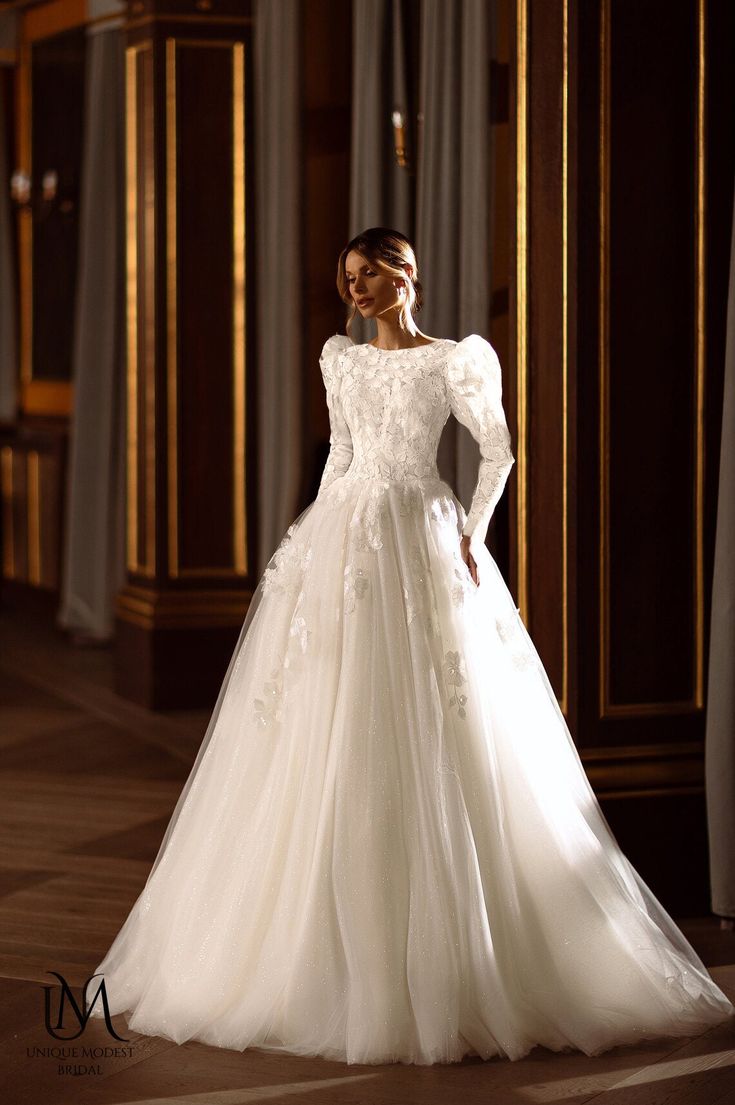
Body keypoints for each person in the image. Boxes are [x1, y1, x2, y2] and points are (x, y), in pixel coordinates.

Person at [90, 227, 734, 1066]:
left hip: (422, 535)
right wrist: (313, 537)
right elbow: (342, 454)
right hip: (348, 538)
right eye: (347, 277)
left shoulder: (457, 358)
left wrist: (470, 532)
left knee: (438, 722)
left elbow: (497, 451)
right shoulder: (341, 359)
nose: (356, 289)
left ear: (408, 276)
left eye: (372, 274)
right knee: (331, 716)